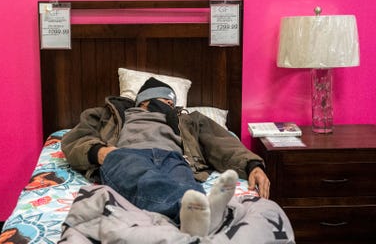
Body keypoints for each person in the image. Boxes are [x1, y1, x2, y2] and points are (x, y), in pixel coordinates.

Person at [61, 77, 270, 237]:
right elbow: (75, 139)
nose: (171, 106)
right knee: (144, 177)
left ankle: (196, 211)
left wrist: (252, 165)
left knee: (188, 189)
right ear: (144, 102)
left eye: (172, 104)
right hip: (125, 156)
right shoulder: (107, 115)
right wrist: (100, 152)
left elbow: (221, 142)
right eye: (165, 101)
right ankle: (200, 215)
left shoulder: (189, 120)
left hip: (174, 159)